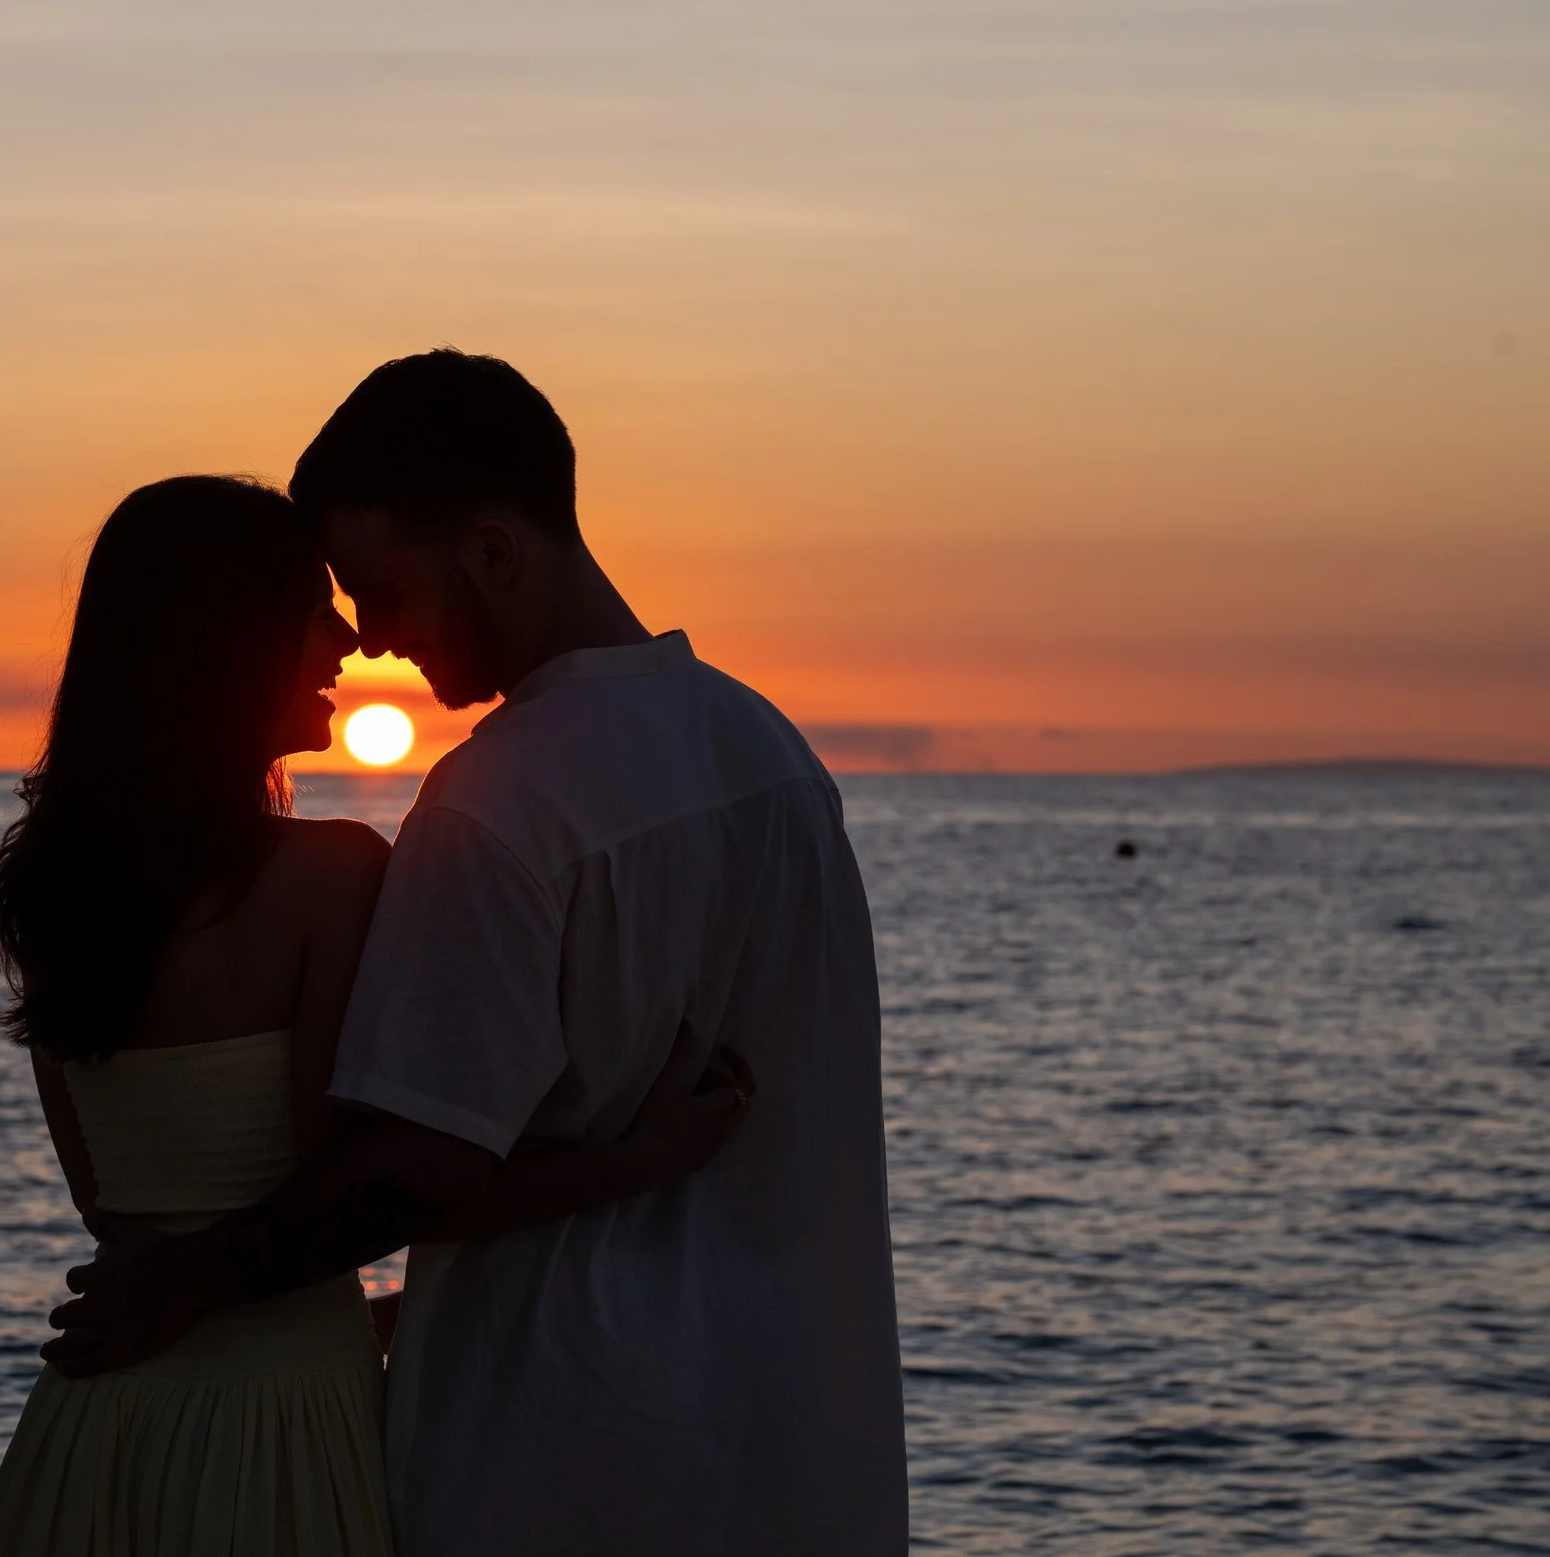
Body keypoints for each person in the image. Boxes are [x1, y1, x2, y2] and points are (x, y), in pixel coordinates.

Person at [44, 355, 910, 1554]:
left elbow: (416, 1164)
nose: (374, 640)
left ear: (494, 553)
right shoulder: (773, 759)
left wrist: (189, 1281)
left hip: (557, 1456)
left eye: (382, 590)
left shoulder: (497, 801)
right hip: (801, 1449)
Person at [0, 474, 752, 1557]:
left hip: (96, 1420)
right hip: (274, 1433)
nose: (346, 638)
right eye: (309, 603)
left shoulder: (45, 891)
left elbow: (122, 1214)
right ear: (226, 637)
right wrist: (644, 1154)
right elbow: (388, 1185)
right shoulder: (327, 876)